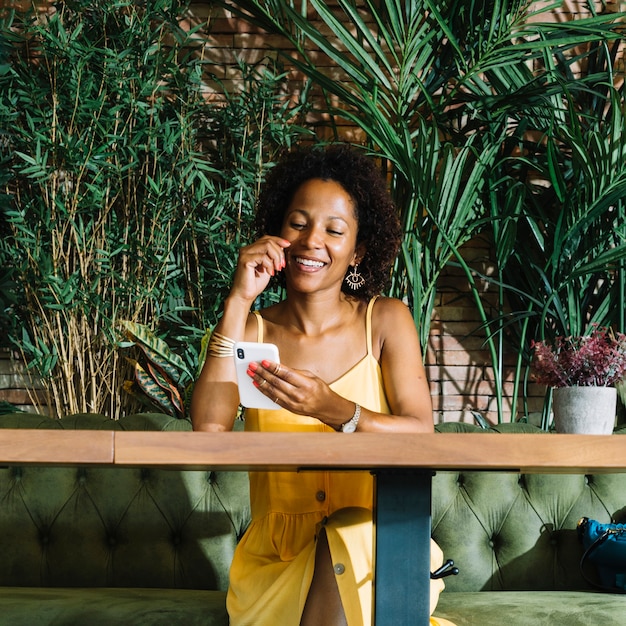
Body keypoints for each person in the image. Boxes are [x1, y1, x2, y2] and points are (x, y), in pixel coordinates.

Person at [191, 144, 455, 626]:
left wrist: (336, 410)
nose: (312, 240)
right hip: (277, 561)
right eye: (298, 223)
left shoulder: (386, 321)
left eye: (334, 230)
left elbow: (421, 435)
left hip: (380, 551)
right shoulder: (249, 332)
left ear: (357, 250)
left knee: (347, 530)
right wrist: (237, 299)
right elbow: (209, 430)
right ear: (276, 232)